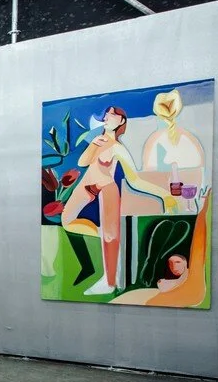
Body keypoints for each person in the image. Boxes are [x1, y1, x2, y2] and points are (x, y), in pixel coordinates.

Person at [60, 106, 177, 296]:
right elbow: (82, 162)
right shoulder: (97, 141)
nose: (107, 116)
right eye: (106, 114)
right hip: (86, 187)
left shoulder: (118, 148)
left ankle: (109, 282)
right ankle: (107, 238)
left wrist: (163, 194)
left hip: (107, 188)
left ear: (121, 121)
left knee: (110, 236)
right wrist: (93, 144)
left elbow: (135, 180)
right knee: (67, 220)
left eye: (113, 114)